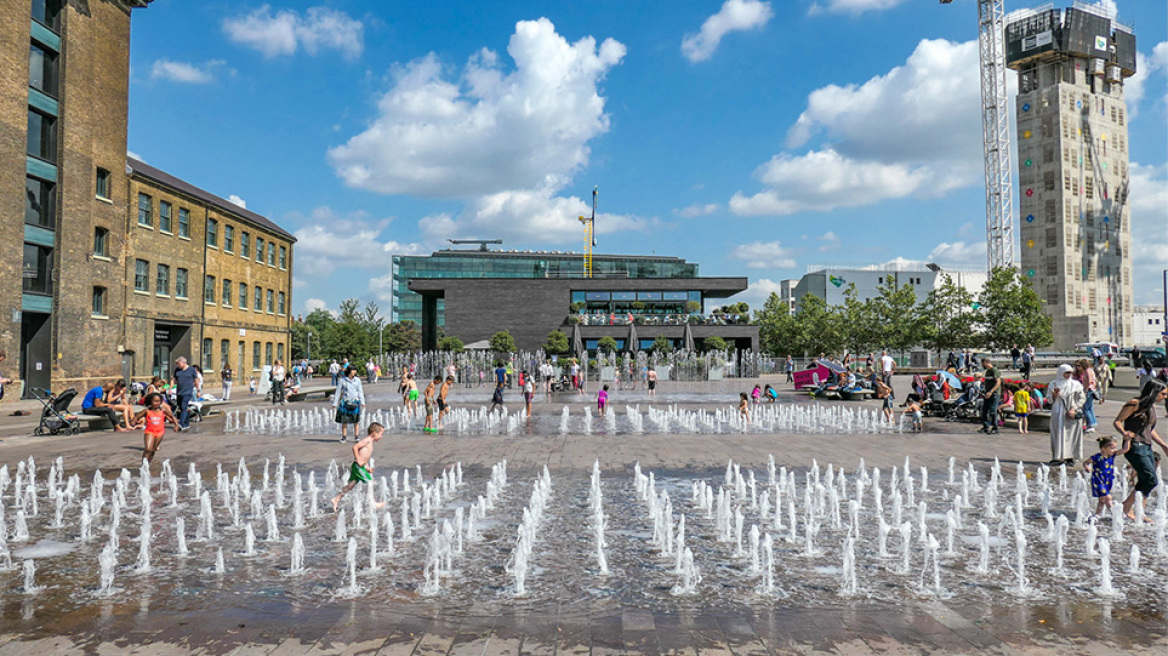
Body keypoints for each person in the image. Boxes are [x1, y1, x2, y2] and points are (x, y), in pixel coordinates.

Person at [1114, 379, 1168, 520]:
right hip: (1134, 446)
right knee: (1150, 478)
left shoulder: (1152, 407)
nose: (1165, 397)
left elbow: (1150, 430)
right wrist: (1124, 432)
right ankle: (1127, 506)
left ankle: (1139, 511)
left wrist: (1163, 445)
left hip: (1147, 445)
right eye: (1163, 393)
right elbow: (1117, 421)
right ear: (1154, 392)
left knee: (1148, 478)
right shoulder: (1134, 404)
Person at [331, 422, 386, 512]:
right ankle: (372, 502)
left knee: (351, 485)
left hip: (359, 466)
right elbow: (355, 447)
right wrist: (358, 460)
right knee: (370, 482)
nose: (381, 436)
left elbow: (364, 458)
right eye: (381, 434)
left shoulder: (370, 442)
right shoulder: (367, 440)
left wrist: (367, 468)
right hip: (358, 466)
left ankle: (336, 499)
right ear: (374, 433)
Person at [1084, 435, 1131, 519]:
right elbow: (1086, 462)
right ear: (1103, 448)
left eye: (1115, 448)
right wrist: (1087, 466)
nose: (1115, 450)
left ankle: (1097, 514)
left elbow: (1125, 449)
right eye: (1112, 448)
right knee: (1108, 497)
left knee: (1102, 499)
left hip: (1108, 480)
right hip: (1098, 480)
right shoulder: (1096, 457)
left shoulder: (1112, 455)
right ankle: (1115, 514)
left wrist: (1128, 440)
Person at [1048, 364, 1086, 466]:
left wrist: (1074, 409)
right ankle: (1058, 456)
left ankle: (1071, 457)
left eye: (1070, 372)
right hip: (1058, 412)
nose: (1069, 375)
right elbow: (1049, 400)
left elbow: (1082, 398)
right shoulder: (1054, 384)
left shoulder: (1075, 384)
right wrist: (1054, 395)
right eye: (1067, 372)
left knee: (1072, 435)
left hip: (1071, 413)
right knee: (1058, 434)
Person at [133, 392, 180, 464]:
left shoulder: (163, 410)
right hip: (149, 432)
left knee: (153, 450)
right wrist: (134, 421)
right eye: (155, 401)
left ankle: (148, 464)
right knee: (148, 449)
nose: (157, 403)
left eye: (159, 401)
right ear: (150, 402)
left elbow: (172, 416)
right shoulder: (147, 411)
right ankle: (143, 466)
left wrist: (176, 425)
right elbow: (136, 417)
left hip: (160, 433)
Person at [333, 365, 365, 443]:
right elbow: (338, 392)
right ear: (349, 371)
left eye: (355, 370)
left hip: (355, 401)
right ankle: (344, 436)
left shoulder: (357, 380)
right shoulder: (342, 380)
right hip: (345, 401)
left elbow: (360, 391)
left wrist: (362, 401)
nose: (354, 372)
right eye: (353, 370)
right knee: (344, 420)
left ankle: (356, 436)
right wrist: (335, 403)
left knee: (356, 420)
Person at [171, 357, 198, 429]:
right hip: (179, 392)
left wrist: (198, 391)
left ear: (184, 362)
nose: (177, 365)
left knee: (184, 406)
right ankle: (186, 424)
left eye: (178, 364)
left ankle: (181, 423)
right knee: (182, 407)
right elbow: (174, 380)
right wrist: (170, 388)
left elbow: (196, 380)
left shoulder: (191, 369)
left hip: (188, 391)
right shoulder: (177, 370)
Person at [978, 357, 1002, 435]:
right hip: (987, 394)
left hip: (994, 394)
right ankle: (986, 426)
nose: (982, 365)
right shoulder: (987, 371)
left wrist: (991, 391)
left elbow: (998, 382)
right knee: (984, 411)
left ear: (985, 362)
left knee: (993, 411)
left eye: (982, 363)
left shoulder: (994, 370)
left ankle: (995, 428)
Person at [1075, 358, 1098, 433]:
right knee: (1090, 408)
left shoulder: (1087, 371)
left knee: (1086, 408)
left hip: (1088, 390)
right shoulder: (1091, 370)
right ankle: (1093, 423)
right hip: (1092, 389)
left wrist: (1085, 390)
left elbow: (1088, 382)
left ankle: (1090, 425)